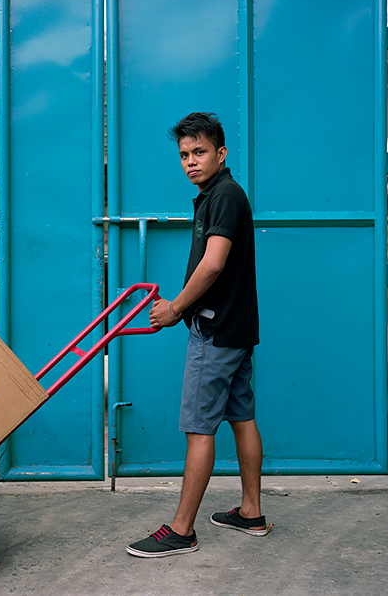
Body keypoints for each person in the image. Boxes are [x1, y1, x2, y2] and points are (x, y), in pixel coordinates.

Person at [126, 112, 269, 559]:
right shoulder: (216, 195)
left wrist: (175, 308)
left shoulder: (224, 196)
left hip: (215, 330)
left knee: (198, 428)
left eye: (200, 152)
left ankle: (182, 530)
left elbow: (213, 264)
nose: (191, 162)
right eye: (184, 155)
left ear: (221, 153)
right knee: (241, 416)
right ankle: (251, 513)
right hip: (237, 329)